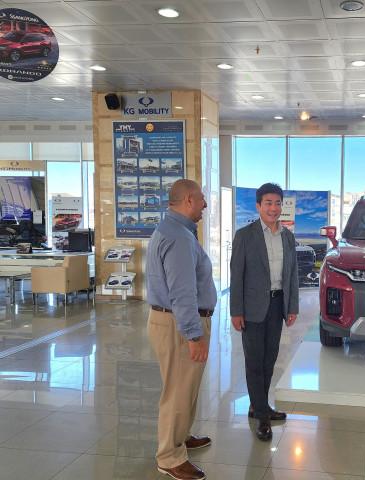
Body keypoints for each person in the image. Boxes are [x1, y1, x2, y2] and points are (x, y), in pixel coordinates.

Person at [146, 179, 217, 480]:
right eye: (201, 199)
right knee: (177, 391)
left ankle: (181, 436)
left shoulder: (174, 230)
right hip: (178, 323)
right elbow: (182, 292)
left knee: (184, 387)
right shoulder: (178, 238)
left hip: (172, 320)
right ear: (188, 200)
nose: (205, 204)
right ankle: (170, 457)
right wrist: (194, 335)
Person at [230, 182, 299, 441]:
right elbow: (237, 275)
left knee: (269, 359)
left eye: (277, 203)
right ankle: (261, 416)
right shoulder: (245, 236)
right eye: (268, 203)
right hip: (252, 308)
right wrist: (236, 311)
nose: (273, 208)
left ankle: (259, 405)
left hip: (277, 304)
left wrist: (292, 306)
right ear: (258, 206)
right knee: (254, 361)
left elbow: (292, 274)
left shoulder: (287, 237)